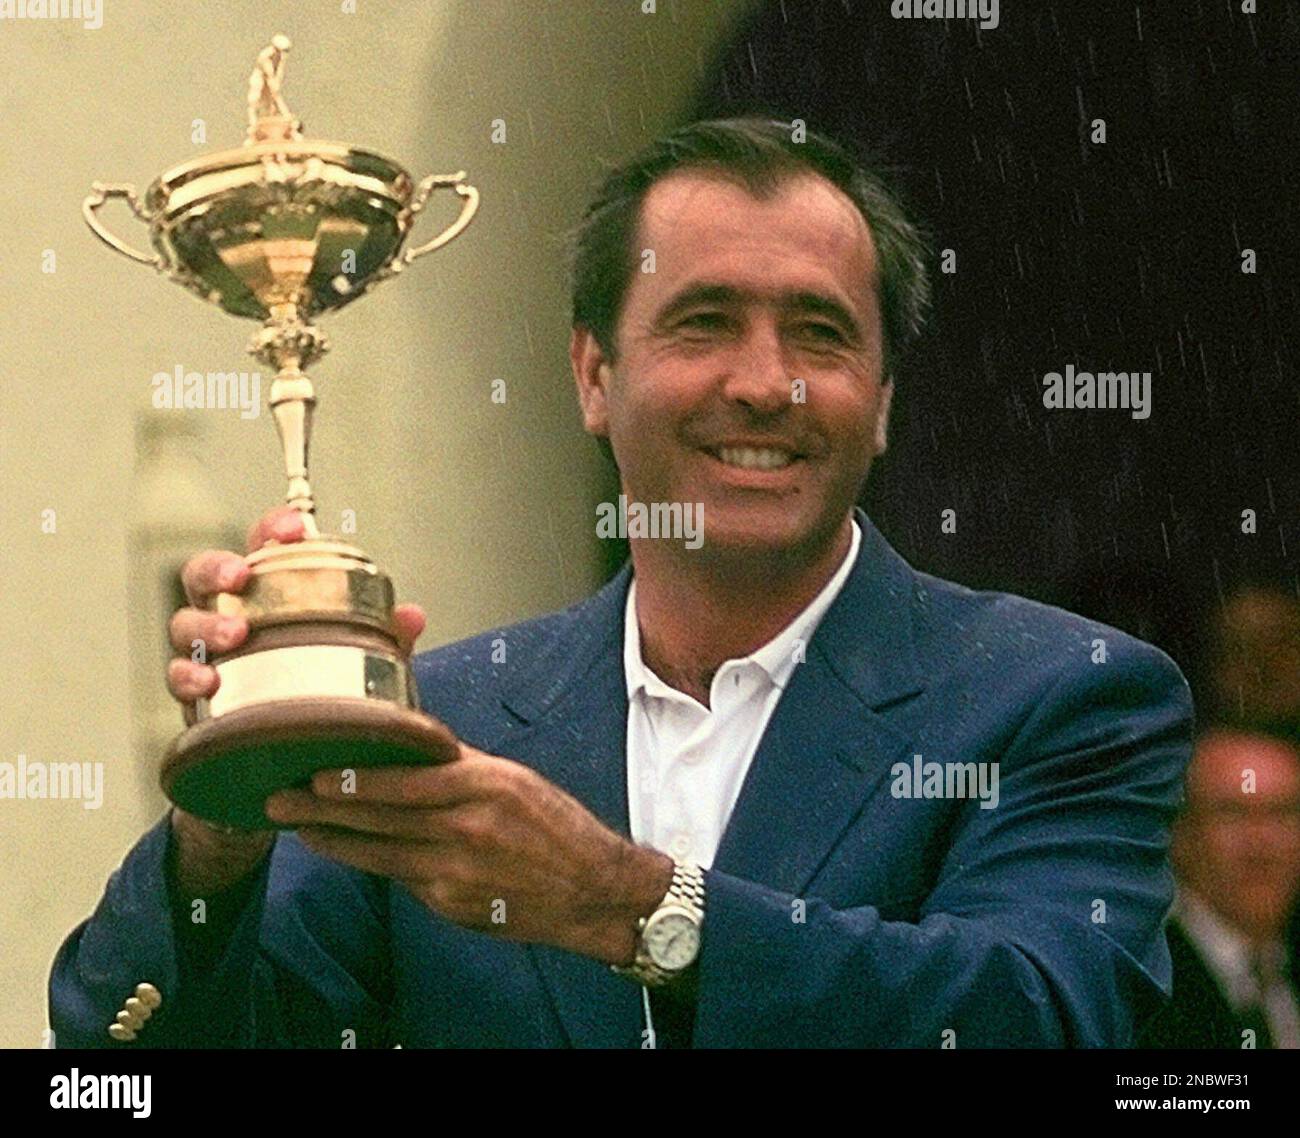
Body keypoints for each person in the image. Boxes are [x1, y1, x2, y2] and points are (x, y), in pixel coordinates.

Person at [49, 117, 1193, 1048]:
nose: (764, 383)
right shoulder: (433, 729)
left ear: (883, 399)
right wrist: (222, 833)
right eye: (703, 324)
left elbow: (1033, 1017)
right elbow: (123, 1070)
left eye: (820, 334)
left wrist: (627, 904)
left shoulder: (1059, 695)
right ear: (595, 377)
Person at [1138, 728, 1300, 1048]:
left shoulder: (1285, 968)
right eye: (1233, 814)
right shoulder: (1143, 987)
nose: (1261, 844)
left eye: (1283, 814)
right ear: (1182, 833)